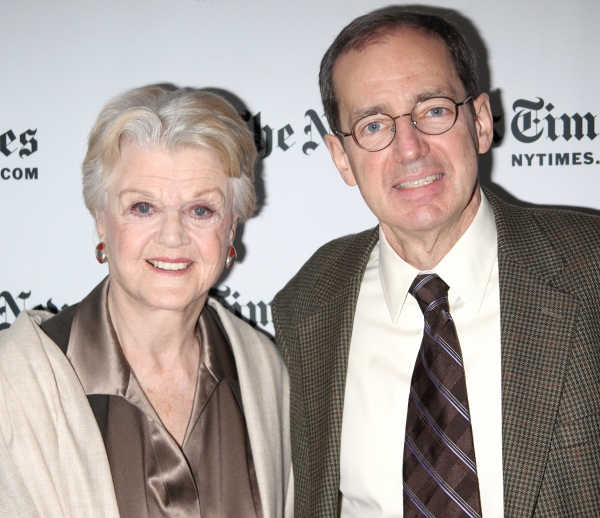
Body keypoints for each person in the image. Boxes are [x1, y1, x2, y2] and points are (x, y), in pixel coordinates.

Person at [272, 8, 600, 518]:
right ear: (341, 157)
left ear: (482, 121)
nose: (409, 149)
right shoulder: (307, 304)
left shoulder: (591, 268)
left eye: (433, 110)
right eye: (373, 124)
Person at [0, 86, 293, 517]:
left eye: (201, 211)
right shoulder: (14, 385)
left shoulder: (266, 376)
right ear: (101, 221)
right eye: (142, 207)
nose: (171, 237)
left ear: (231, 229)